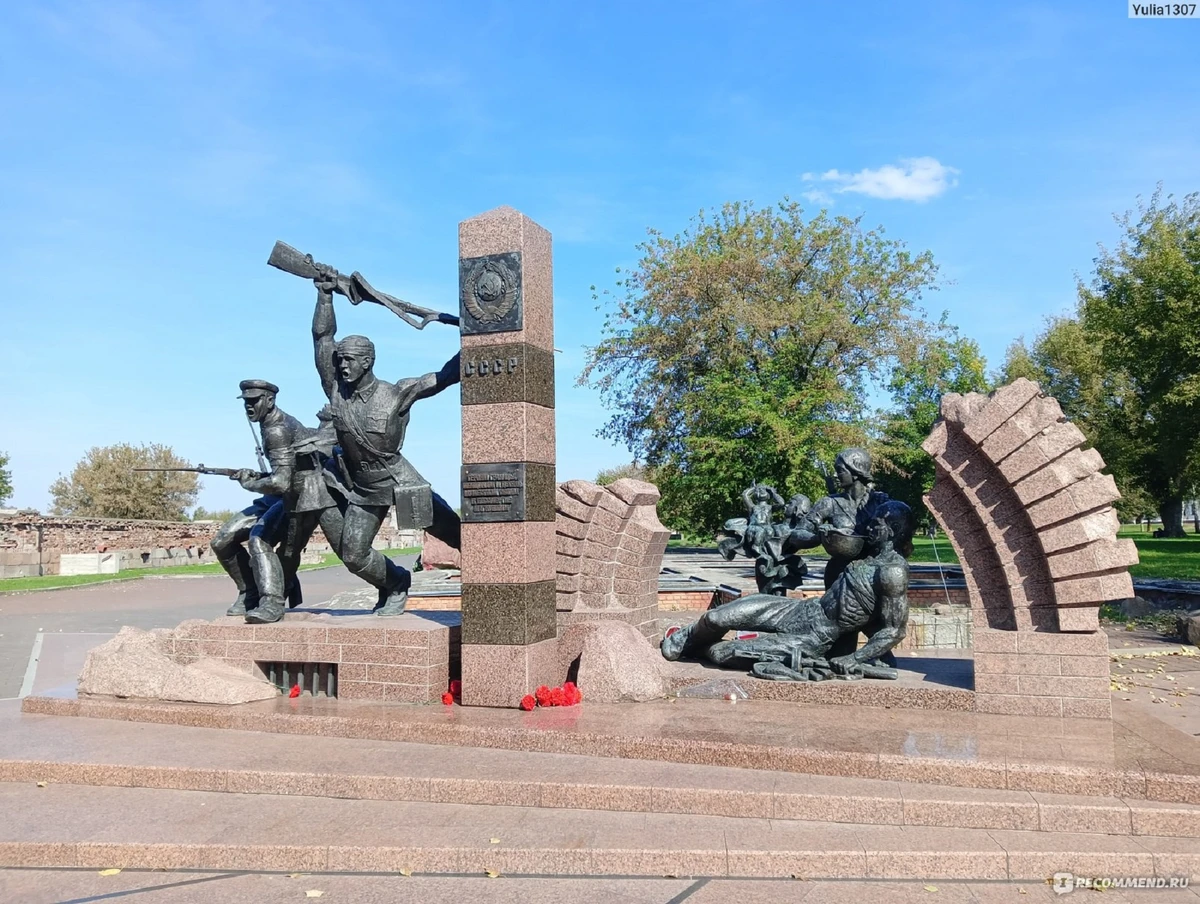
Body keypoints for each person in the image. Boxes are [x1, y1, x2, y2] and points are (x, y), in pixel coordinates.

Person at [311, 265, 462, 616]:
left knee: (456, 535)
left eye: (349, 360)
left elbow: (445, 376)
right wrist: (324, 296)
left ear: (368, 362)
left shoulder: (396, 393)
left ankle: (499, 580)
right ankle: (396, 583)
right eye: (340, 360)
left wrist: (480, 336)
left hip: (400, 481)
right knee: (353, 555)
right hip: (364, 489)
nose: (342, 366)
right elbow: (322, 339)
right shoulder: (335, 392)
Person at [662, 500, 914, 681]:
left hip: (816, 637)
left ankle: (700, 649)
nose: (868, 527)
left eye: (876, 524)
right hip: (801, 610)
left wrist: (854, 659)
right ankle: (687, 637)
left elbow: (894, 630)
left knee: (722, 653)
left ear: (892, 531)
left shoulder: (892, 572)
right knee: (717, 616)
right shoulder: (869, 555)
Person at [209, 380, 307, 622]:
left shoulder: (277, 430)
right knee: (221, 541)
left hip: (295, 498)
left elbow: (282, 482)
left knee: (258, 539)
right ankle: (249, 591)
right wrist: (255, 476)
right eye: (246, 402)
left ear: (270, 401)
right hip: (274, 496)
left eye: (254, 401)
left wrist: (249, 484)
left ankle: (271, 601)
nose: (249, 407)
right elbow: (279, 474)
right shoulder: (266, 425)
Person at [782, 447, 890, 590]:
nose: (835, 475)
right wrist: (819, 537)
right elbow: (796, 535)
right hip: (838, 576)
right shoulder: (829, 503)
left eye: (840, 470)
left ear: (856, 472)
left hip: (873, 574)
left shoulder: (880, 502)